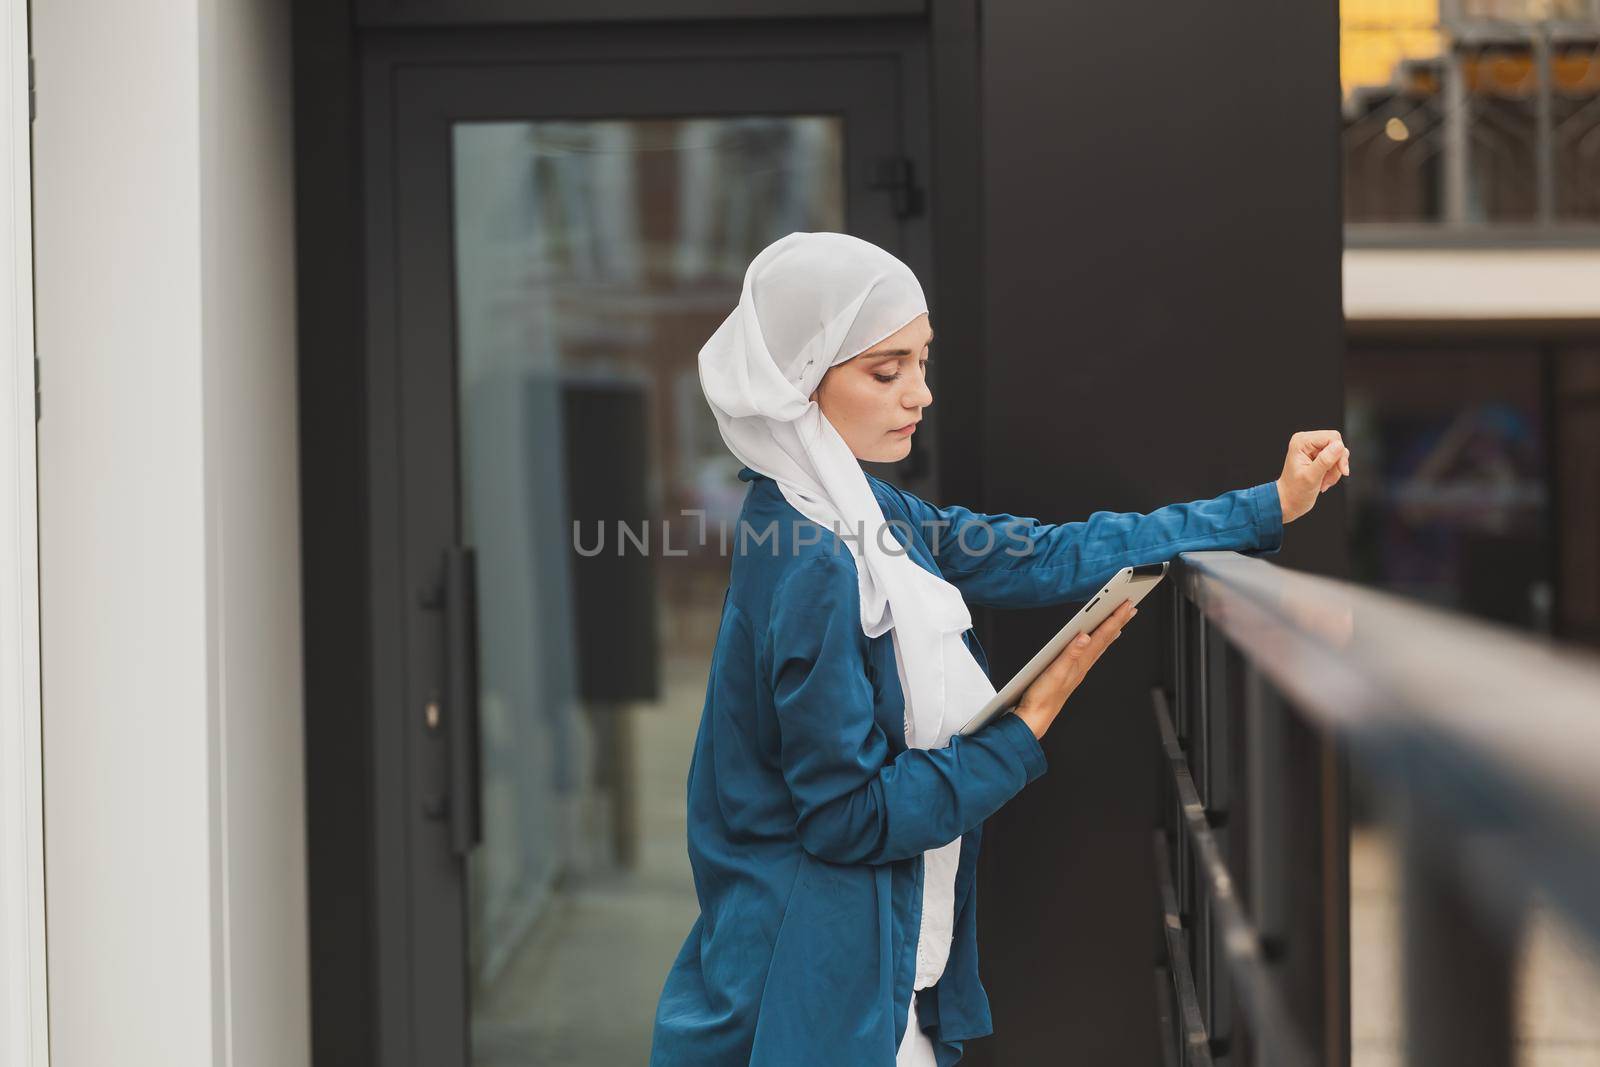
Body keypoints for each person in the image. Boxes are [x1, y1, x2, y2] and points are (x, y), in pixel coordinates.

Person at [649, 232, 1349, 1066]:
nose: (921, 392)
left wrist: (1266, 505)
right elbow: (846, 817)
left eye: (922, 360)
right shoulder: (812, 556)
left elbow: (1044, 552)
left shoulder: (856, 514)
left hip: (860, 977)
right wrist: (1027, 723)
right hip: (819, 1005)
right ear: (803, 381)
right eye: (887, 369)